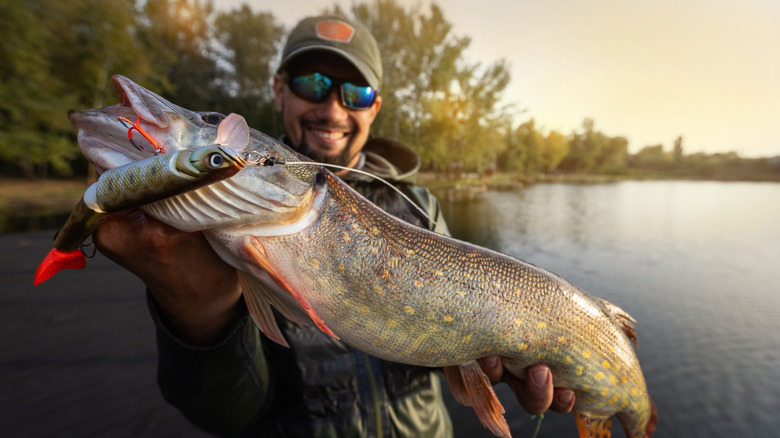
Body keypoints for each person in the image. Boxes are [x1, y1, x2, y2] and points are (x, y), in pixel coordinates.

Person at [94, 15, 575, 437]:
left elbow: (457, 337)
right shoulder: (215, 219)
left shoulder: (421, 206)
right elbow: (227, 416)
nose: (332, 109)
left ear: (374, 109)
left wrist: (485, 358)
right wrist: (197, 311)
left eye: (356, 92)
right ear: (279, 90)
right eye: (312, 84)